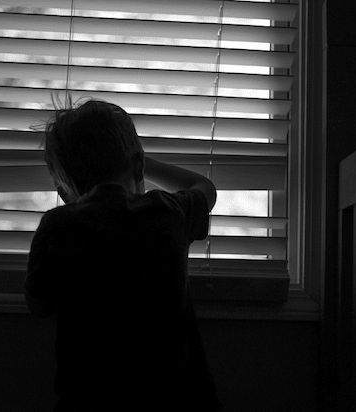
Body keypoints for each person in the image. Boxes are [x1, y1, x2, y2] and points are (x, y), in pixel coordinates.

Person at [25, 98, 222, 412]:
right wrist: (142, 160)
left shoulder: (58, 226)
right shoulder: (167, 212)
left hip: (89, 401)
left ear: (64, 192)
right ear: (139, 165)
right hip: (174, 399)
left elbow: (38, 303)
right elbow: (205, 187)